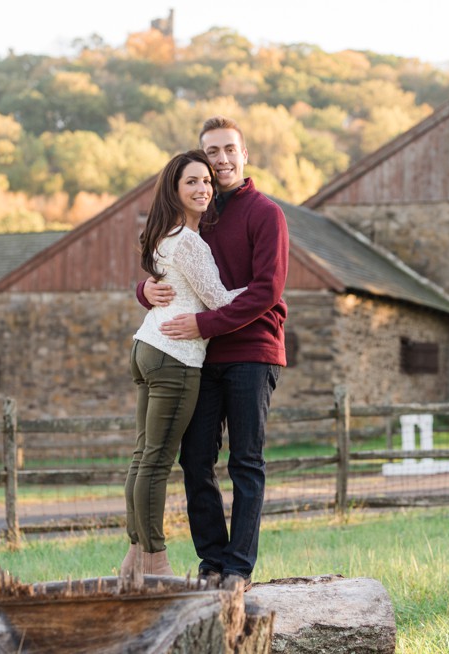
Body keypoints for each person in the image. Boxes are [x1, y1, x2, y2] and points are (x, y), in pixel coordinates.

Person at [136, 115, 289, 589]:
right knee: (195, 459)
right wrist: (144, 290)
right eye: (212, 152)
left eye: (229, 150)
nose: (221, 160)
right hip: (197, 357)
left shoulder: (266, 214)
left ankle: (238, 568)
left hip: (252, 351)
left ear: (244, 156)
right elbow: (169, 265)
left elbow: (266, 290)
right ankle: (211, 560)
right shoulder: (197, 213)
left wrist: (205, 321)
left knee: (245, 460)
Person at [120, 150, 247, 580]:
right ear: (174, 190)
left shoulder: (165, 235)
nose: (203, 189)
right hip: (175, 358)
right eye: (192, 182)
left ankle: (135, 557)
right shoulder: (189, 241)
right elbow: (219, 300)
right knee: (156, 460)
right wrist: (267, 290)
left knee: (143, 457)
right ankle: (155, 560)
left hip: (148, 348)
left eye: (207, 182)